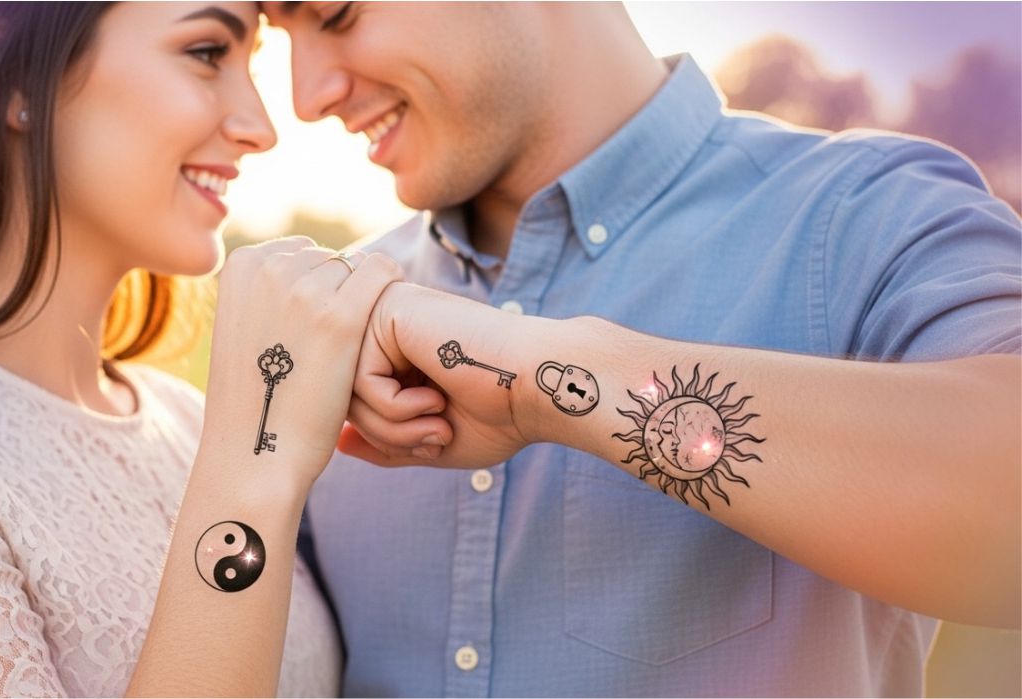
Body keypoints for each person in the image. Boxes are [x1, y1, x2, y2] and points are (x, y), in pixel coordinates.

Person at [266, 2, 1022, 695]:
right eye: (280, 34)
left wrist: (552, 380)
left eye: (337, 11)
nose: (305, 96)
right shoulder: (333, 321)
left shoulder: (867, 217)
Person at [0, 3, 403, 696]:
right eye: (207, 52)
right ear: (17, 78)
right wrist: (257, 459)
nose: (261, 128)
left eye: (253, 65)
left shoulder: (188, 421)